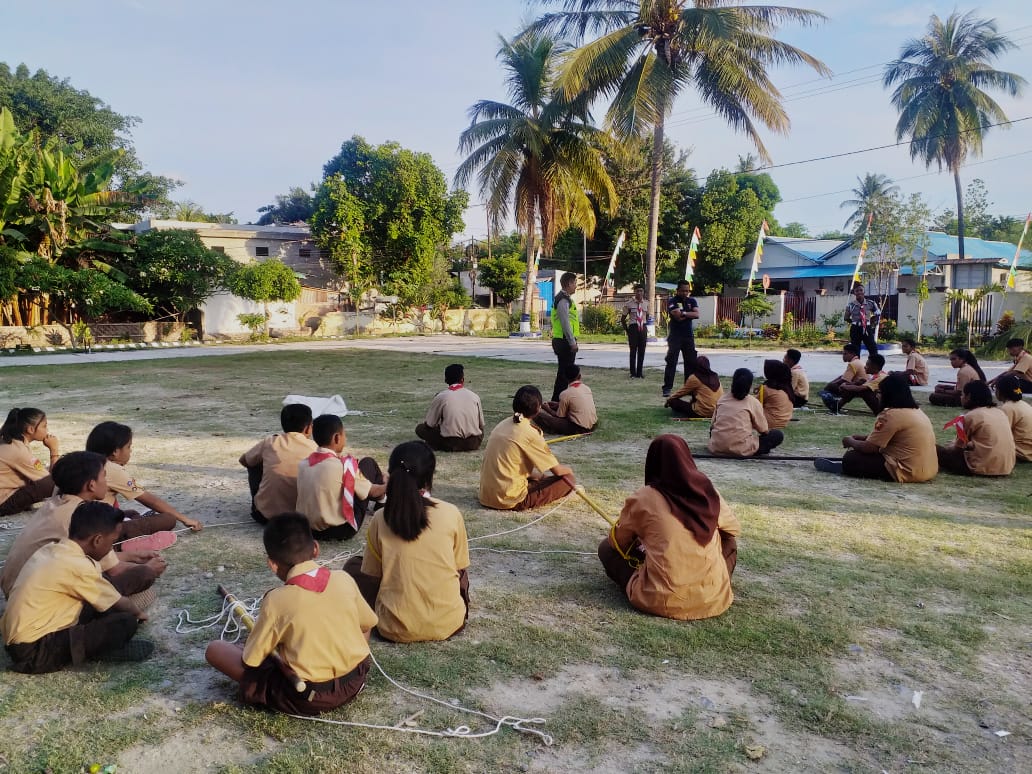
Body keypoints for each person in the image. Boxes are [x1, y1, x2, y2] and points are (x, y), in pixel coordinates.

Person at [204, 513, 377, 716]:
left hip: (308, 696)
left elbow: (250, 660)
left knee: (215, 649)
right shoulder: (343, 578)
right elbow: (367, 624)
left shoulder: (276, 600)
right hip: (355, 680)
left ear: (272, 564)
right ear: (316, 548)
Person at [597, 435, 740, 620]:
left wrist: (647, 543)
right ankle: (711, 585)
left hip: (659, 600)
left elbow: (618, 542)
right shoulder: (707, 491)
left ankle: (656, 585)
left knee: (605, 549)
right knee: (729, 541)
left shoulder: (644, 497)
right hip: (713, 600)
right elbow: (733, 530)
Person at [2, 502, 152, 673]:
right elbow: (121, 603)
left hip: (23, 639)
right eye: (112, 543)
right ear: (97, 540)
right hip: (34, 651)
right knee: (125, 621)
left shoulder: (53, 549)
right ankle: (98, 650)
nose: (111, 548)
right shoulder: (76, 565)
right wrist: (139, 614)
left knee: (99, 603)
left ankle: (91, 642)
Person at [344, 441, 470, 642]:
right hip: (449, 622)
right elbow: (459, 566)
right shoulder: (450, 513)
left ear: (391, 475)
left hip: (393, 627)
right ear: (428, 479)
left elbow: (372, 574)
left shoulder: (380, 518)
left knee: (353, 566)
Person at [1, 452, 167, 600]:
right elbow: (113, 570)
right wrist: (149, 569)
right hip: (35, 596)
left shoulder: (57, 502)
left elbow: (94, 560)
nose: (106, 482)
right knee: (142, 586)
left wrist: (134, 557)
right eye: (104, 476)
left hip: (17, 590)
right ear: (91, 485)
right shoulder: (80, 515)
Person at [85, 421, 203, 539]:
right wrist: (185, 519)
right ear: (115, 451)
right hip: (98, 530)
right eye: (128, 447)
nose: (130, 451)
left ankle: (129, 523)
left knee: (131, 513)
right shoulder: (112, 469)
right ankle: (124, 541)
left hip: (79, 523)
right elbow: (150, 501)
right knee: (168, 519)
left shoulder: (86, 462)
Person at [814, 372, 938, 482]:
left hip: (906, 471)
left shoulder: (890, 414)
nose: (877, 396)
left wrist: (850, 441)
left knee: (851, 457)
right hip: (928, 470)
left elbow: (870, 448)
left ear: (888, 394)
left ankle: (847, 467)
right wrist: (864, 438)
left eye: (879, 392)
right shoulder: (917, 411)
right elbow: (894, 438)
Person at [479, 385, 576, 510]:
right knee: (568, 480)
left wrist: (539, 477)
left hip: (486, 495)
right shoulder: (530, 433)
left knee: (539, 477)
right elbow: (557, 471)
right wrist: (569, 471)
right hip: (510, 499)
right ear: (538, 408)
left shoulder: (503, 423)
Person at [295, 414, 387, 541]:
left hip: (307, 529)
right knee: (368, 463)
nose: (345, 437)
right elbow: (372, 491)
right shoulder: (343, 466)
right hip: (340, 530)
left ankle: (382, 500)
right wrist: (389, 483)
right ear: (337, 438)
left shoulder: (303, 464)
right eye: (344, 434)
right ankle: (382, 501)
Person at [240, 404, 316, 524]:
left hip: (264, 516)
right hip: (302, 518)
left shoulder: (270, 442)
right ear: (308, 428)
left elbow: (244, 460)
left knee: (254, 462)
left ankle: (263, 503)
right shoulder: (315, 448)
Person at [935, 381, 1015, 477]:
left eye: (962, 394)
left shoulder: (971, 416)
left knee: (935, 449)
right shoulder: (1000, 412)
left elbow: (958, 449)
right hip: (1005, 467)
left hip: (979, 468)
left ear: (968, 396)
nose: (961, 397)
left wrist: (951, 446)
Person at [708, 369, 784, 457]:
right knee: (777, 435)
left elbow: (713, 424)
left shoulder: (722, 399)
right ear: (750, 385)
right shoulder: (753, 402)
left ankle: (721, 444)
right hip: (741, 449)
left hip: (716, 448)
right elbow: (763, 430)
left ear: (733, 382)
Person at [0, 407, 59, 517]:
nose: (47, 430)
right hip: (2, 503)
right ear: (31, 429)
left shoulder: (8, 441)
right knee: (52, 483)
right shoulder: (18, 450)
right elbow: (51, 481)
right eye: (44, 426)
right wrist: (54, 450)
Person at [415, 363, 485, 452]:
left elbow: (429, 424)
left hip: (452, 442)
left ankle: (437, 444)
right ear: (462, 379)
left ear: (446, 380)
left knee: (420, 429)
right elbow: (481, 424)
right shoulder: (474, 396)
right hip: (473, 442)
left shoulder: (441, 396)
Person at [661, 279, 699, 398]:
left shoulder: (692, 300)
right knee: (671, 362)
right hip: (675, 337)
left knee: (690, 363)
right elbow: (677, 316)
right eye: (682, 291)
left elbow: (697, 314)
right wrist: (689, 314)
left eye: (687, 291)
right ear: (677, 290)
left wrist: (684, 313)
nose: (685, 293)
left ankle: (688, 388)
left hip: (688, 336)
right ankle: (667, 388)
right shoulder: (672, 301)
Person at [535, 364, 598, 436]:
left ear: (565, 378)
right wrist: (558, 404)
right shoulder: (587, 388)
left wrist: (547, 408)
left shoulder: (565, 394)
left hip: (579, 428)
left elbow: (559, 417)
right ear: (579, 376)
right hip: (593, 425)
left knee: (538, 415)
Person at [550, 272, 580, 402]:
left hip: (563, 340)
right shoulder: (563, 300)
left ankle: (559, 401)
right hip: (564, 341)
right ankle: (557, 402)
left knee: (564, 374)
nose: (576, 286)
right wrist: (572, 342)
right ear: (568, 284)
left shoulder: (566, 299)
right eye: (574, 283)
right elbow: (565, 322)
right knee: (564, 375)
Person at [819, 344, 867, 414]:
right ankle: (836, 405)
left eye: (845, 354)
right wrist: (832, 382)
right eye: (843, 353)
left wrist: (830, 385)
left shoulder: (853, 364)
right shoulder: (858, 362)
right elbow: (843, 376)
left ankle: (834, 406)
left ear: (852, 354)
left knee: (829, 388)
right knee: (832, 385)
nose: (843, 356)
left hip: (859, 387)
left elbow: (844, 380)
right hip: (861, 385)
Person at [994, 374, 1032, 462]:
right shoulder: (1023, 404)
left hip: (1021, 452)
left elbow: (1000, 435)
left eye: (996, 388)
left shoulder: (1008, 408)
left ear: (1000, 391)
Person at [757, 359, 795, 429]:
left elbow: (756, 404)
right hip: (784, 421)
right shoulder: (786, 387)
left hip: (769, 423)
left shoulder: (766, 388)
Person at [620, 284, 648, 378]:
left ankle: (640, 373)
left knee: (642, 351)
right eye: (638, 291)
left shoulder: (646, 303)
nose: (639, 293)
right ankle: (633, 373)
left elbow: (646, 316)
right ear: (634, 292)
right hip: (633, 328)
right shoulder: (629, 304)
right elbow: (623, 319)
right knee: (633, 351)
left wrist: (645, 326)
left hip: (642, 328)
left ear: (643, 292)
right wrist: (627, 331)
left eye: (641, 291)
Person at [844, 284, 880, 354]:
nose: (859, 292)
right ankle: (856, 364)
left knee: (872, 348)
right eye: (857, 291)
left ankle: (873, 363)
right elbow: (846, 318)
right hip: (855, 329)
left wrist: (871, 322)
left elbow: (878, 313)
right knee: (855, 349)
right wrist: (855, 323)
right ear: (854, 293)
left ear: (864, 292)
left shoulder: (871, 303)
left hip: (867, 328)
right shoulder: (851, 305)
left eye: (861, 290)